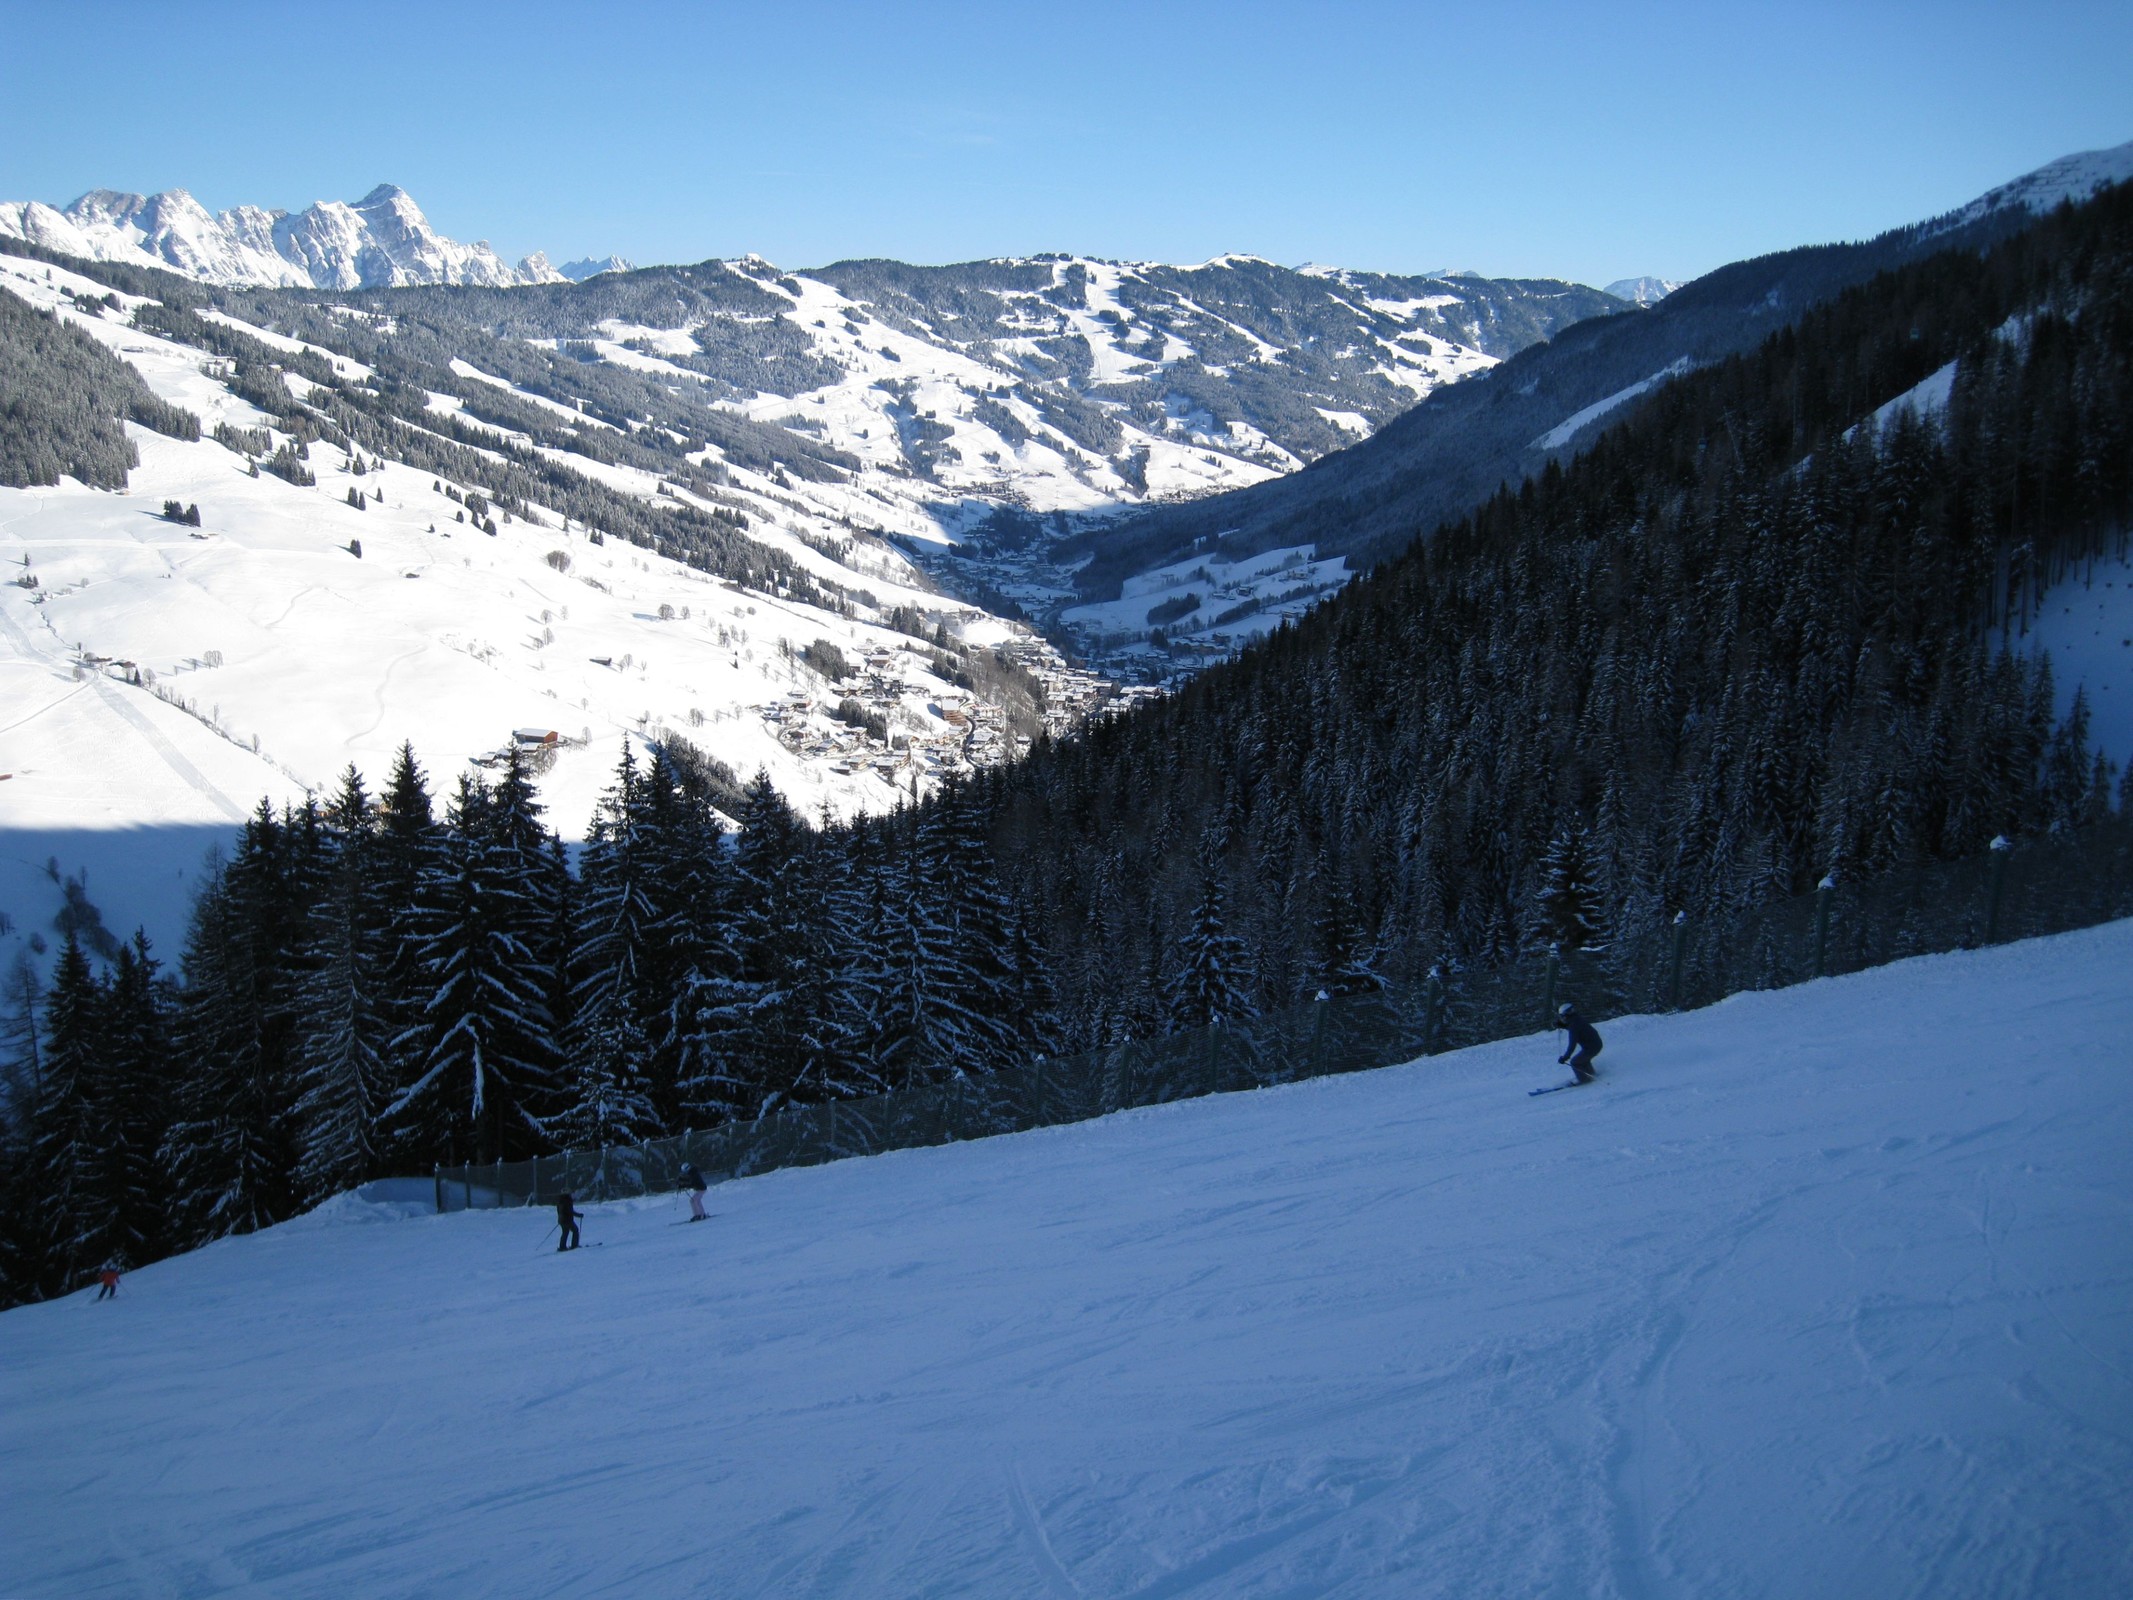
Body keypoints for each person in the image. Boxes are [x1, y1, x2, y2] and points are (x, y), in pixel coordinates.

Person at [1557, 1002, 1603, 1084]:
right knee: (1583, 1059)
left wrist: (1565, 1057)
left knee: (1575, 1062)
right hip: (1595, 1045)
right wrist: (1564, 1026)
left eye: (1562, 1016)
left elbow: (1572, 1044)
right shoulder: (1576, 1019)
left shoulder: (1573, 1026)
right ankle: (1591, 1074)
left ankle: (1584, 1080)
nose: (1562, 1018)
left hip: (1591, 1047)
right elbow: (1577, 1030)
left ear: (1565, 1015)